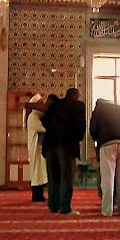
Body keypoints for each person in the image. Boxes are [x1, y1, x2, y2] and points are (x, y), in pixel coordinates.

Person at [42, 87, 86, 215]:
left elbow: (44, 121)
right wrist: (78, 138)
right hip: (67, 145)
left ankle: (53, 206)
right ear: (76, 95)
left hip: (50, 145)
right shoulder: (78, 105)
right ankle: (65, 207)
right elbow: (81, 125)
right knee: (66, 177)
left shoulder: (55, 105)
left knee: (53, 176)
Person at [88, 99, 120, 216]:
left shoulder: (98, 110)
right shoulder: (118, 110)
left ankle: (107, 210)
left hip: (107, 144)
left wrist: (97, 143)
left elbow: (92, 130)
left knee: (108, 179)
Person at [26, 94, 48, 202]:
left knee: (40, 172)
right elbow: (42, 129)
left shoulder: (37, 116)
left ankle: (39, 195)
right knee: (36, 172)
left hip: (38, 148)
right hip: (35, 147)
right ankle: (36, 196)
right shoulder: (33, 117)